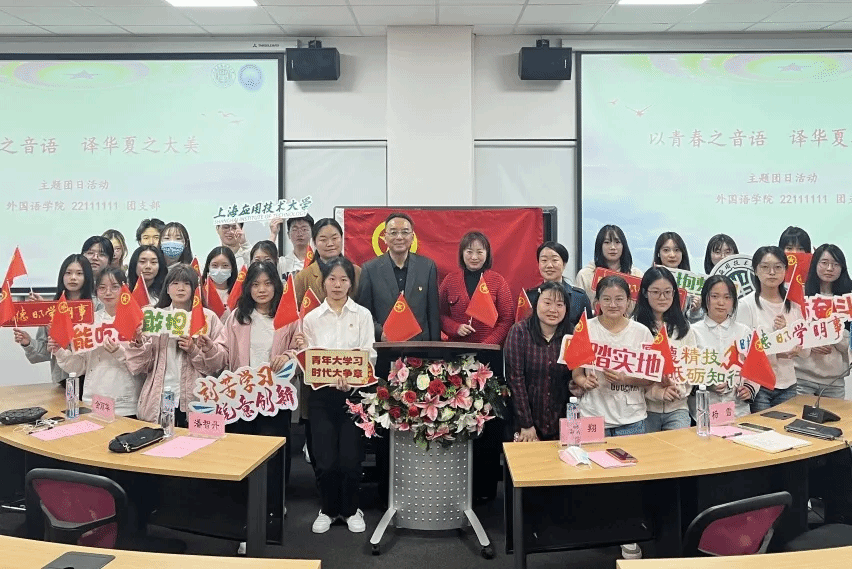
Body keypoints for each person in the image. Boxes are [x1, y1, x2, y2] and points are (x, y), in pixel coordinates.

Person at [570, 275, 654, 561]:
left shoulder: (641, 332)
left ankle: (629, 536)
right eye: (606, 298)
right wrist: (583, 381)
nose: (613, 304)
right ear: (597, 302)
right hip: (592, 416)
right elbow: (576, 371)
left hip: (631, 417)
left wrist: (627, 377)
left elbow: (651, 378)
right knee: (593, 477)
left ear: (629, 302)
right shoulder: (586, 329)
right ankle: (602, 531)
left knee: (630, 481)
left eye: (619, 299)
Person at [214, 260, 300, 534]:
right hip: (243, 397)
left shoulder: (288, 316)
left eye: (267, 283)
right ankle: (246, 509)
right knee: (244, 452)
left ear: (276, 286)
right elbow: (223, 354)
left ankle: (274, 507)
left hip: (275, 398)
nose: (262, 289)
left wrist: (288, 356)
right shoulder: (237, 317)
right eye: (255, 284)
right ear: (248, 288)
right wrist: (206, 348)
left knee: (274, 456)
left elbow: (300, 351)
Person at [302, 256, 376, 534]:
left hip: (354, 396)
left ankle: (350, 509)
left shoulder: (362, 315)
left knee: (350, 457)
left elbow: (369, 354)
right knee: (325, 458)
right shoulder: (311, 318)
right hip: (321, 397)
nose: (337, 284)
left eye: (343, 279)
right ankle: (328, 509)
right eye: (331, 279)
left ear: (351, 284)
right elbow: (309, 360)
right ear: (323, 282)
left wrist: (353, 380)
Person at [125, 264, 222, 425]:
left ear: (195, 289)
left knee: (192, 439)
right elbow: (140, 366)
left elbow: (217, 366)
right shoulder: (156, 317)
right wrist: (138, 341)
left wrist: (194, 350)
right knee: (164, 436)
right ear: (167, 289)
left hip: (196, 397)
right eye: (175, 283)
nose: (180, 288)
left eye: (186, 284)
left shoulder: (208, 318)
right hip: (161, 395)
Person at [50, 267, 143, 417]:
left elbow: (143, 365)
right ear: (96, 291)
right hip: (93, 400)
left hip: (126, 402)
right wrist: (59, 352)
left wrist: (119, 352)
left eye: (114, 287)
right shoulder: (88, 322)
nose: (108, 293)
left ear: (125, 288)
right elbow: (80, 367)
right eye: (102, 288)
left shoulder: (137, 320)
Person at [736, 246, 809, 411]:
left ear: (785, 271)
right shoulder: (746, 305)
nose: (772, 272)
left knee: (788, 426)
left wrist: (791, 338)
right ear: (755, 271)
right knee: (762, 427)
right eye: (765, 267)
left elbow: (806, 351)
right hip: (759, 385)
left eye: (778, 267)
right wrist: (777, 350)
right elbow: (742, 350)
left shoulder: (794, 305)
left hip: (789, 383)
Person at [504, 281, 573, 442]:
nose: (553, 310)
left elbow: (575, 376)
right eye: (547, 303)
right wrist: (526, 424)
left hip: (562, 424)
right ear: (536, 304)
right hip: (525, 424)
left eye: (559, 305)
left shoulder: (572, 334)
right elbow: (515, 380)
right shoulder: (519, 332)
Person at [13, 254, 95, 387]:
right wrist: (28, 343)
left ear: (87, 277)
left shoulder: (96, 306)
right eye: (68, 273)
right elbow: (45, 353)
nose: (73, 277)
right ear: (62, 276)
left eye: (79, 273)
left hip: (92, 378)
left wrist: (65, 336)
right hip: (64, 380)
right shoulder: (52, 308)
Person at [357, 212, 440, 341]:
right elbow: (363, 313)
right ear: (385, 237)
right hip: (385, 346)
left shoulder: (427, 267)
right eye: (393, 232)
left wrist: (435, 349)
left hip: (419, 346)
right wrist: (380, 333)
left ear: (412, 237)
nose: (399, 237)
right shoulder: (370, 269)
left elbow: (433, 314)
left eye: (405, 232)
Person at [634, 267, 697, 432]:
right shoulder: (634, 327)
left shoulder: (684, 328)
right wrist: (655, 392)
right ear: (645, 293)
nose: (662, 298)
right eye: (655, 292)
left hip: (678, 406)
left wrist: (676, 390)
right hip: (644, 408)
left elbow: (691, 368)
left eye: (667, 292)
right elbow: (632, 371)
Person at [691, 275, 757, 418]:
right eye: (715, 296)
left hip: (738, 410)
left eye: (727, 297)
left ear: (734, 301)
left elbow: (755, 367)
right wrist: (707, 384)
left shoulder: (744, 331)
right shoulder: (693, 332)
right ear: (705, 298)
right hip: (704, 412)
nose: (721, 302)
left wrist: (749, 388)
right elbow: (686, 371)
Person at [439, 231, 513, 345]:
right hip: (456, 349)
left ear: (487, 254)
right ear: (462, 253)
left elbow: (507, 320)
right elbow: (439, 315)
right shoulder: (450, 280)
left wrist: (487, 345)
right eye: (469, 252)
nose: (474, 257)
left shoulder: (498, 281)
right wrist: (455, 328)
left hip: (489, 350)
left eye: (479, 252)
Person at [797, 244, 852, 398]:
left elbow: (848, 344)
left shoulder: (847, 300)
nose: (829, 268)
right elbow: (793, 332)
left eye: (835, 264)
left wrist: (830, 335)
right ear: (815, 264)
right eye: (824, 263)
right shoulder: (801, 294)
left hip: (834, 381)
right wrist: (810, 342)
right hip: (802, 377)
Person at [526, 241, 592, 332]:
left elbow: (588, 331)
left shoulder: (579, 297)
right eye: (544, 260)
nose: (549, 265)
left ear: (564, 264)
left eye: (555, 260)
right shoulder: (530, 297)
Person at [294, 218, 361, 305]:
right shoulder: (303, 277)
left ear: (342, 238)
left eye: (334, 238)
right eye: (323, 240)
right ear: (314, 243)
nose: (330, 244)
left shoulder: (357, 272)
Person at [574, 224, 642, 306]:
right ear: (600, 246)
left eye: (617, 242)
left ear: (623, 246)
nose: (613, 247)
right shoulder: (585, 275)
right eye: (607, 242)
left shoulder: (636, 275)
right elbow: (578, 307)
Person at [652, 231, 701, 321]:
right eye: (666, 250)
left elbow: (693, 321)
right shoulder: (649, 279)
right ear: (658, 253)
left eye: (677, 250)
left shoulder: (691, 282)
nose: (672, 255)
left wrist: (695, 311)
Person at [271, 214, 314, 278]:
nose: (300, 234)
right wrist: (273, 234)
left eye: (304, 229)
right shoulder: (282, 263)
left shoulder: (318, 260)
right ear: (288, 234)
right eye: (295, 229)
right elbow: (265, 261)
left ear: (312, 233)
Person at [201, 246, 238, 321]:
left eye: (225, 266)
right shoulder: (201, 292)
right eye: (215, 265)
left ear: (232, 268)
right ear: (208, 267)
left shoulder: (238, 293)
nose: (219, 270)